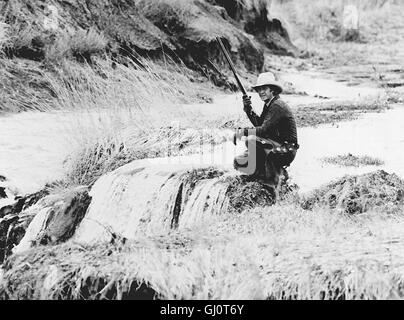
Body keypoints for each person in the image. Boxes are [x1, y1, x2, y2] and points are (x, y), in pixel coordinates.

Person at [233, 72, 299, 194]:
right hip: (277, 146)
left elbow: (263, 130)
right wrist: (248, 109)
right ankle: (267, 174)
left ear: (272, 90)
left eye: (264, 89)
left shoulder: (277, 106)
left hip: (286, 150)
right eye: (259, 89)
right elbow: (260, 125)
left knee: (251, 141)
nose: (261, 92)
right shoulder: (270, 104)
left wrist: (243, 132)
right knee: (239, 162)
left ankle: (271, 181)